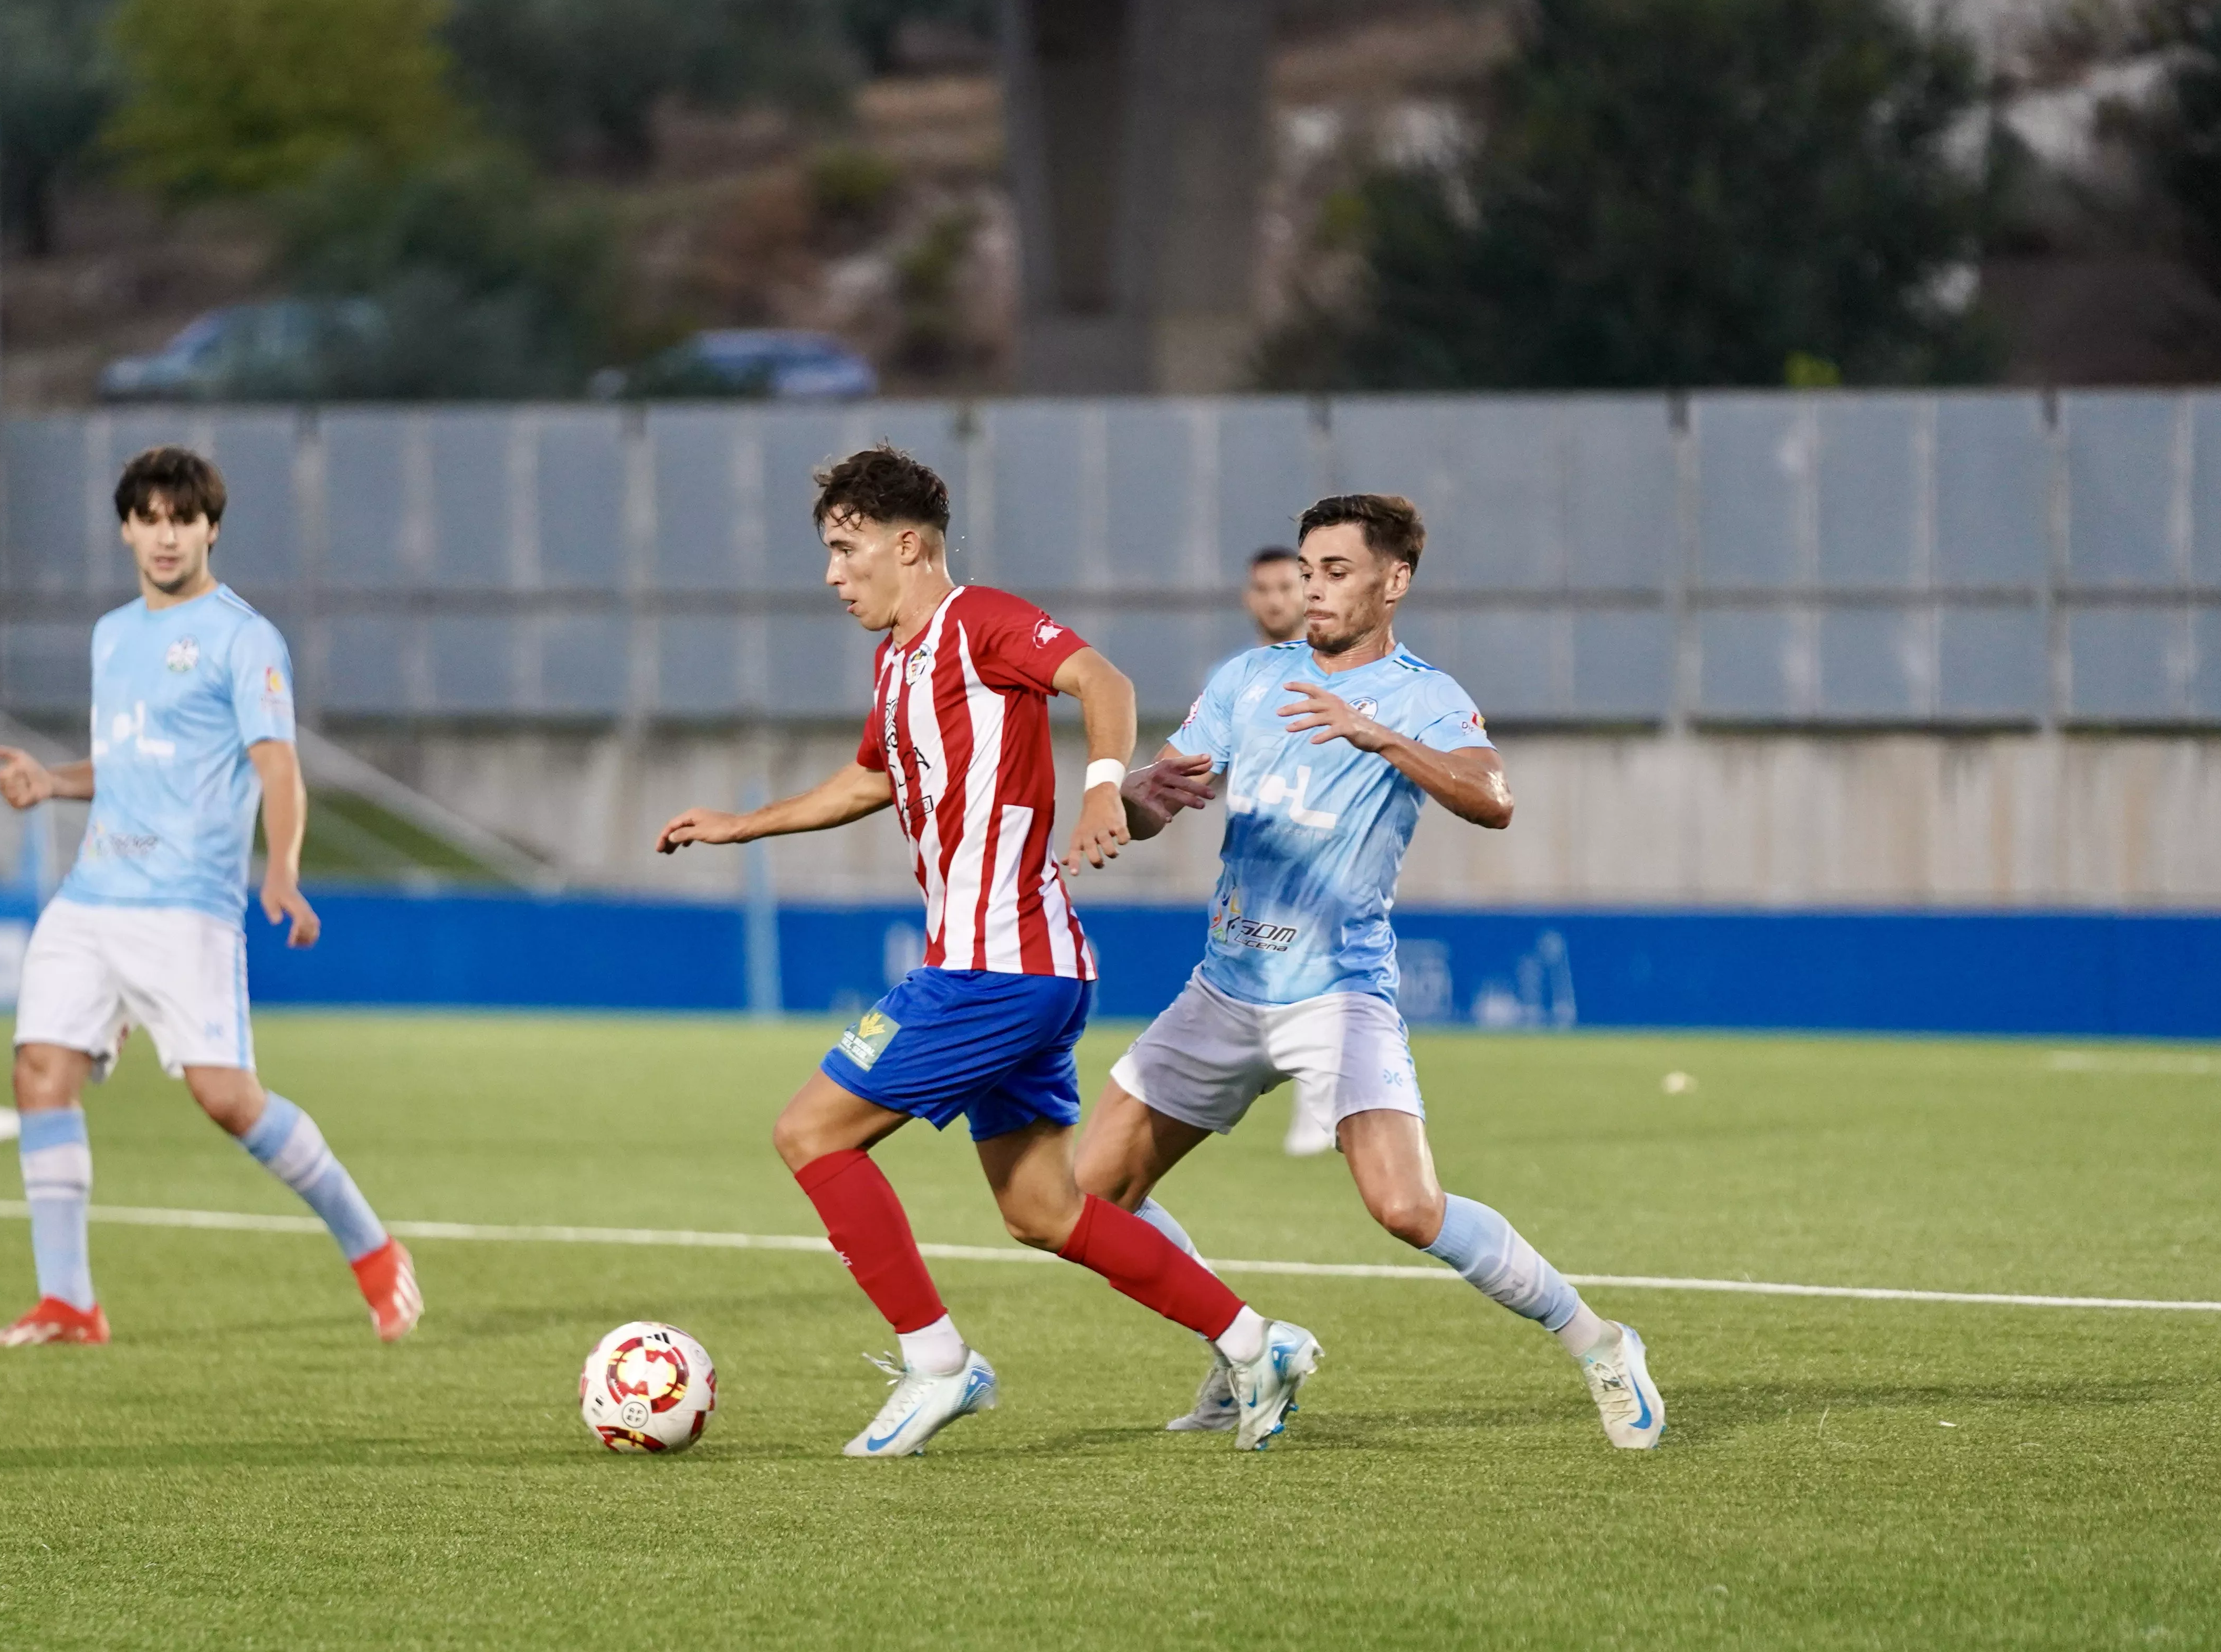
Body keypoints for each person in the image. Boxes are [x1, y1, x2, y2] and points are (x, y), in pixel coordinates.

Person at [657, 445, 1320, 1456]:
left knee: (812, 1135)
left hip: (994, 968)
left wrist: (1104, 782)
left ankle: (937, 1364)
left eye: (847, 549)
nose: (833, 574)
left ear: (908, 544)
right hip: (1021, 969)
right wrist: (743, 826)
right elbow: (867, 782)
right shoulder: (896, 662)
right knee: (1043, 1210)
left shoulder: (981, 624)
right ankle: (1254, 1344)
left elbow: (1101, 676)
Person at [1078, 494, 1666, 1449]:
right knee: (1089, 1199)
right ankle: (1243, 1349)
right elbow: (1162, 800)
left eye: (1338, 572)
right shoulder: (1249, 679)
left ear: (1395, 583)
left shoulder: (1425, 697)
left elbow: (1494, 798)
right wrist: (1142, 799)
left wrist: (1378, 735)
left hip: (1336, 993)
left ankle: (1599, 1341)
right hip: (1225, 986)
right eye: (1308, 571)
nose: (1315, 590)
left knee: (1406, 1207)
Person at [0, 445, 422, 1349]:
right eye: (149, 518)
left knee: (227, 1099)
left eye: (183, 518)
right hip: (91, 896)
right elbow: (133, 763)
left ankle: (373, 1250)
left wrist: (284, 866)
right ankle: (68, 1302)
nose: (166, 535)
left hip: (185, 907)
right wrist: (50, 784)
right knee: (40, 1073)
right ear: (127, 530)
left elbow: (278, 764)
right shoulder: (112, 637)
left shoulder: (243, 637)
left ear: (211, 528)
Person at [1237, 541, 1333, 1154]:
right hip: (1255, 851)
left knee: (1318, 962)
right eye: (1264, 590)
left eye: (1285, 587)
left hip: (1320, 844)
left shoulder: (1330, 671)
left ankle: (1322, 1097)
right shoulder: (1243, 677)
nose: (1275, 600)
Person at [1243, 542, 1308, 648]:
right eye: (1262, 589)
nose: (1274, 601)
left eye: (1285, 588)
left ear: (1307, 592)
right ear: (1247, 598)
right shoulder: (1234, 664)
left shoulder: (1333, 662)